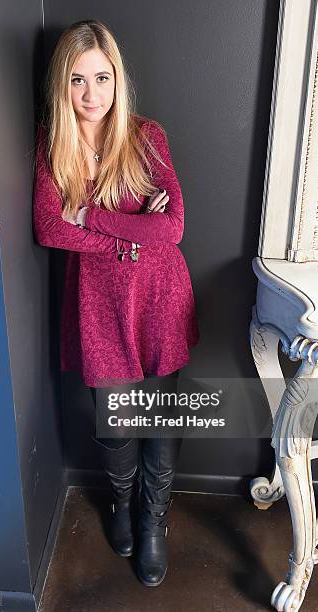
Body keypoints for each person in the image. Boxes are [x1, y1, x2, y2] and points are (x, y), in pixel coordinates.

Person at [32, 19, 200, 587]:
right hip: (100, 306)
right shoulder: (55, 144)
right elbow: (50, 229)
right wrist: (134, 228)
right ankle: (122, 504)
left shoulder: (148, 136)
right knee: (118, 421)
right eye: (77, 80)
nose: (90, 94)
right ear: (63, 85)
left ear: (116, 78)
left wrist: (97, 218)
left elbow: (173, 228)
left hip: (160, 297)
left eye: (101, 78)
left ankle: (154, 520)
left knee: (161, 418)